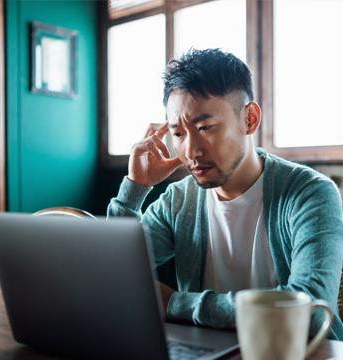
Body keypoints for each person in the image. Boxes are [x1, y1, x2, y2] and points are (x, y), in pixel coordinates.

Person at [107, 48, 343, 340]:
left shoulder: (311, 194)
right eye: (178, 134)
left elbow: (310, 312)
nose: (191, 151)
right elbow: (110, 276)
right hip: (205, 352)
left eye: (205, 127)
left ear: (250, 119)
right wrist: (135, 188)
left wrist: (174, 303)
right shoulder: (178, 201)